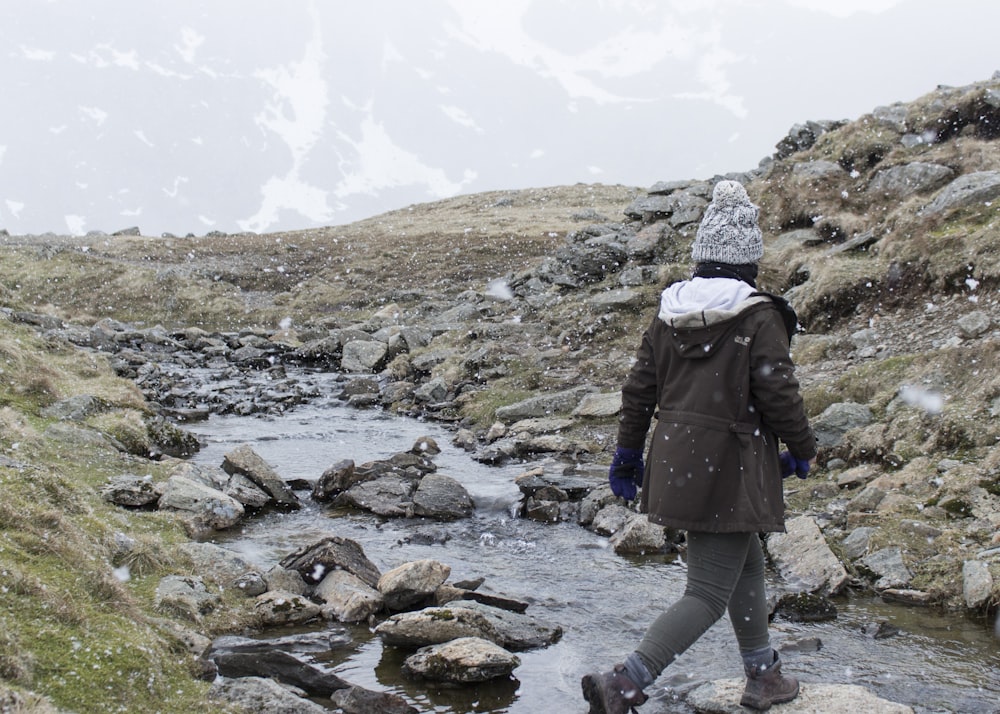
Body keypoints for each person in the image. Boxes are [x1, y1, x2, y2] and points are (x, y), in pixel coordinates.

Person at [581, 180, 817, 713]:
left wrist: (627, 454)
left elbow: (640, 390)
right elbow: (778, 392)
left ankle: (764, 674)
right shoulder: (759, 316)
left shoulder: (669, 312)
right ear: (750, 259)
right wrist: (803, 447)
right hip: (730, 465)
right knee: (708, 592)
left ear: (702, 255)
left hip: (678, 463)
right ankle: (627, 681)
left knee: (744, 558)